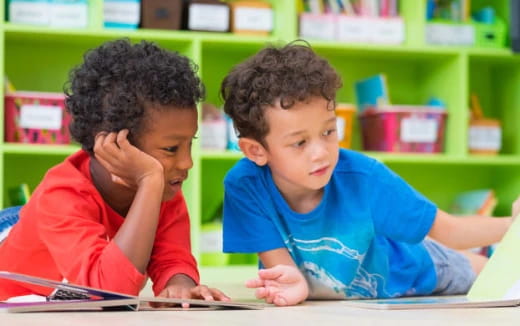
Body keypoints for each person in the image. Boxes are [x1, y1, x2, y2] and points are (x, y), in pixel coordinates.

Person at [219, 42, 513, 307]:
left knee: (493, 274)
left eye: (329, 131)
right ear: (256, 151)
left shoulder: (365, 177)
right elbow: (287, 271)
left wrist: (513, 223)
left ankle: (493, 247)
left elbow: (448, 230)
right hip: (354, 293)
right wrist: (292, 283)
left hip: (416, 269)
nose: (321, 152)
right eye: (300, 142)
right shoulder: (245, 185)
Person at [0, 38, 229, 304]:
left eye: (191, 143)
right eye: (171, 148)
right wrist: (149, 181)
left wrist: (180, 286)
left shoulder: (163, 188)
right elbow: (109, 293)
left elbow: (172, 257)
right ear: (112, 145)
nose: (187, 162)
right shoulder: (61, 194)